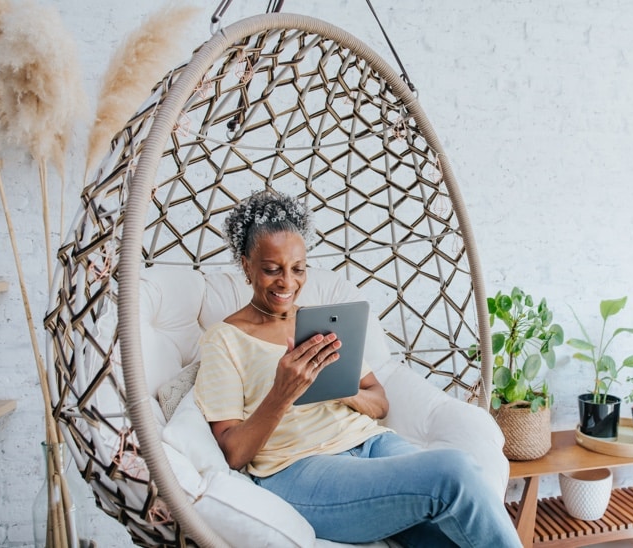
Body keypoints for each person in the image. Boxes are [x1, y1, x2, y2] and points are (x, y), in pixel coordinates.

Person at [194, 190, 521, 547]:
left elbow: (379, 402)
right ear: (246, 265)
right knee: (455, 473)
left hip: (373, 443)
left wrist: (340, 386)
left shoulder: (318, 324)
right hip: (301, 469)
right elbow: (233, 452)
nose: (287, 282)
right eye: (272, 270)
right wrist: (282, 394)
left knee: (446, 536)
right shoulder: (223, 339)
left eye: (298, 269)